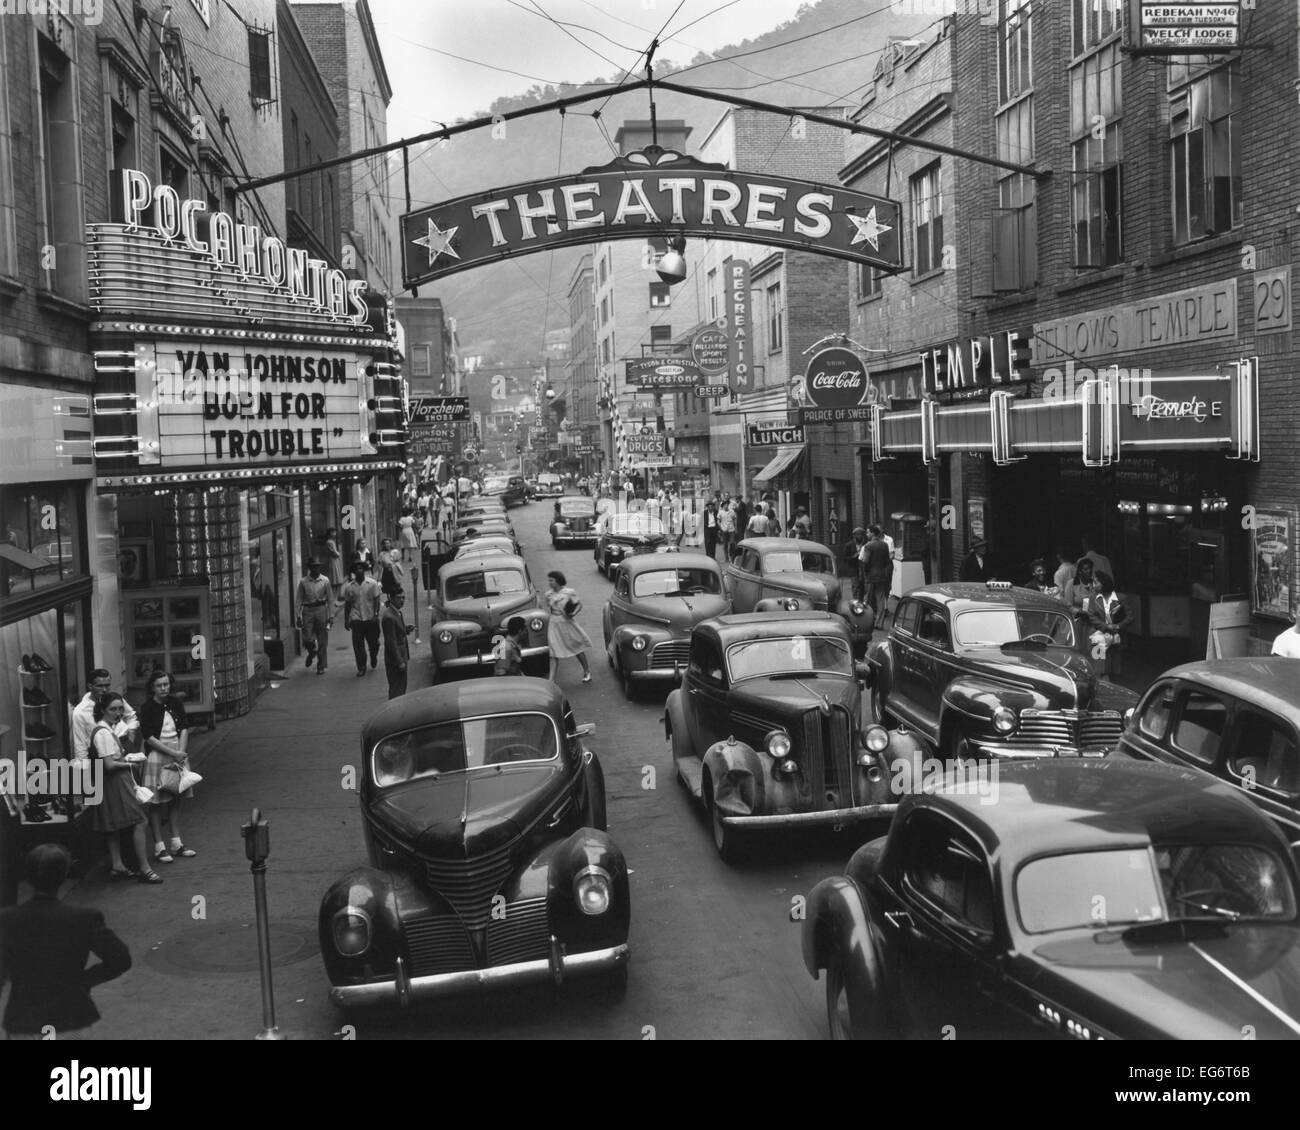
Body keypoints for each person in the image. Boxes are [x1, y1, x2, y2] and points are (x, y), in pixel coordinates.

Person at [0, 844, 132, 1039]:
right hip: (71, 1016)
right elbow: (120, 959)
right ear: (63, 876)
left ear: (28, 876)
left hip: (25, 1018)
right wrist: (83, 981)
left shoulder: (7, 920)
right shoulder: (84, 918)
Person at [86, 692, 161, 884]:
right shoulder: (103, 733)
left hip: (109, 782)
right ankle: (144, 868)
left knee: (113, 826)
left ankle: (118, 865)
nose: (118, 713)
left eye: (120, 708)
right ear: (102, 710)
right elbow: (109, 764)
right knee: (139, 821)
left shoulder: (105, 729)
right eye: (113, 709)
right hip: (115, 782)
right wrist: (128, 763)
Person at [138, 670, 196, 867]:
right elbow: (149, 736)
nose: (164, 688)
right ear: (152, 688)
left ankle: (176, 843)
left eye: (166, 684)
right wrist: (173, 754)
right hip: (157, 755)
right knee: (156, 802)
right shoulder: (146, 708)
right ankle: (159, 846)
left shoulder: (175, 703)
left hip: (177, 753)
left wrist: (180, 752)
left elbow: (184, 728)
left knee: (175, 798)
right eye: (159, 685)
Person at [72, 668, 138, 761]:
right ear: (90, 686)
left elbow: (131, 716)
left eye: (107, 685)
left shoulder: (114, 699)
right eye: (100, 686)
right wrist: (85, 771)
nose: (104, 690)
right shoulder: (80, 712)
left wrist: (131, 735)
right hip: (102, 755)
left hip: (124, 745)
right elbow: (80, 745)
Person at [544, 571, 592, 683]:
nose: (549, 582)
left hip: (566, 622)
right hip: (554, 623)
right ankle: (551, 680)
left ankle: (586, 671)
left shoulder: (569, 592)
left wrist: (573, 613)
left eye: (552, 580)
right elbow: (549, 607)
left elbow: (579, 604)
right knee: (553, 651)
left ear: (558, 580)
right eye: (549, 580)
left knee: (576, 646)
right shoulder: (548, 594)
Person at [1084, 572, 1129, 680]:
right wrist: (1106, 626)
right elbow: (1091, 616)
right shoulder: (1092, 598)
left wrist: (1118, 626)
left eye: (1095, 583)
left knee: (1111, 668)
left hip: (1114, 638)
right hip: (1097, 637)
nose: (1093, 586)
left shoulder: (1121, 598)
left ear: (1104, 583)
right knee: (1098, 669)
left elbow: (1130, 617)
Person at [341, 561, 383, 676]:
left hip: (370, 618)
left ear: (364, 570)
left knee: (374, 644)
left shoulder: (372, 583)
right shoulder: (349, 587)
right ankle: (361, 667)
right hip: (357, 619)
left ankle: (373, 656)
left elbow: (377, 600)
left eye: (361, 568)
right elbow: (348, 604)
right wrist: (346, 620)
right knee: (358, 645)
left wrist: (375, 614)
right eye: (356, 569)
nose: (359, 570)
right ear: (354, 572)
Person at [296, 558, 333, 673]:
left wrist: (331, 616)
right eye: (313, 566)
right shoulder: (303, 582)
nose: (315, 569)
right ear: (309, 568)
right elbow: (299, 600)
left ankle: (321, 665)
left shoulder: (325, 580)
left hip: (321, 609)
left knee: (322, 639)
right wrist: (298, 615)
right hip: (308, 610)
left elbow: (330, 599)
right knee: (307, 638)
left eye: (317, 566)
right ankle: (312, 653)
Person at [380, 588, 411, 700]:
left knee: (402, 686)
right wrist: (399, 662)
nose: (402, 600)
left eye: (403, 598)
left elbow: (397, 632)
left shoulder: (397, 612)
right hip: (396, 658)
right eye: (399, 598)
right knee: (397, 688)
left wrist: (406, 629)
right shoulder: (389, 617)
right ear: (391, 598)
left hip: (402, 655)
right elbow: (391, 642)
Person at [861, 526, 894, 621]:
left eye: (868, 532)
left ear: (873, 533)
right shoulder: (884, 545)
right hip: (882, 575)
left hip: (871, 576)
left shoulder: (868, 546)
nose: (867, 534)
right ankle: (879, 621)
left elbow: (866, 561)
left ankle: (867, 619)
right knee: (880, 599)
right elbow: (887, 561)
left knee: (868, 598)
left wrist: (866, 573)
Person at [842, 527, 868, 600]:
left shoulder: (865, 545)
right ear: (854, 535)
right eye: (858, 534)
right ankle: (856, 602)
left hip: (863, 569)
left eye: (862, 534)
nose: (860, 536)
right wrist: (853, 556)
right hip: (853, 569)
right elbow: (844, 558)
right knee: (855, 585)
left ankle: (861, 600)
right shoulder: (848, 545)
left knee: (863, 586)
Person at [324, 527, 345, 606]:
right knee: (334, 580)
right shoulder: (330, 542)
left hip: (335, 561)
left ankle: (335, 599)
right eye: (333, 532)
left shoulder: (332, 541)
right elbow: (335, 553)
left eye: (335, 532)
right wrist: (338, 554)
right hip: (333, 561)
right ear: (330, 533)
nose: (335, 534)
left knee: (336, 581)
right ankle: (333, 600)